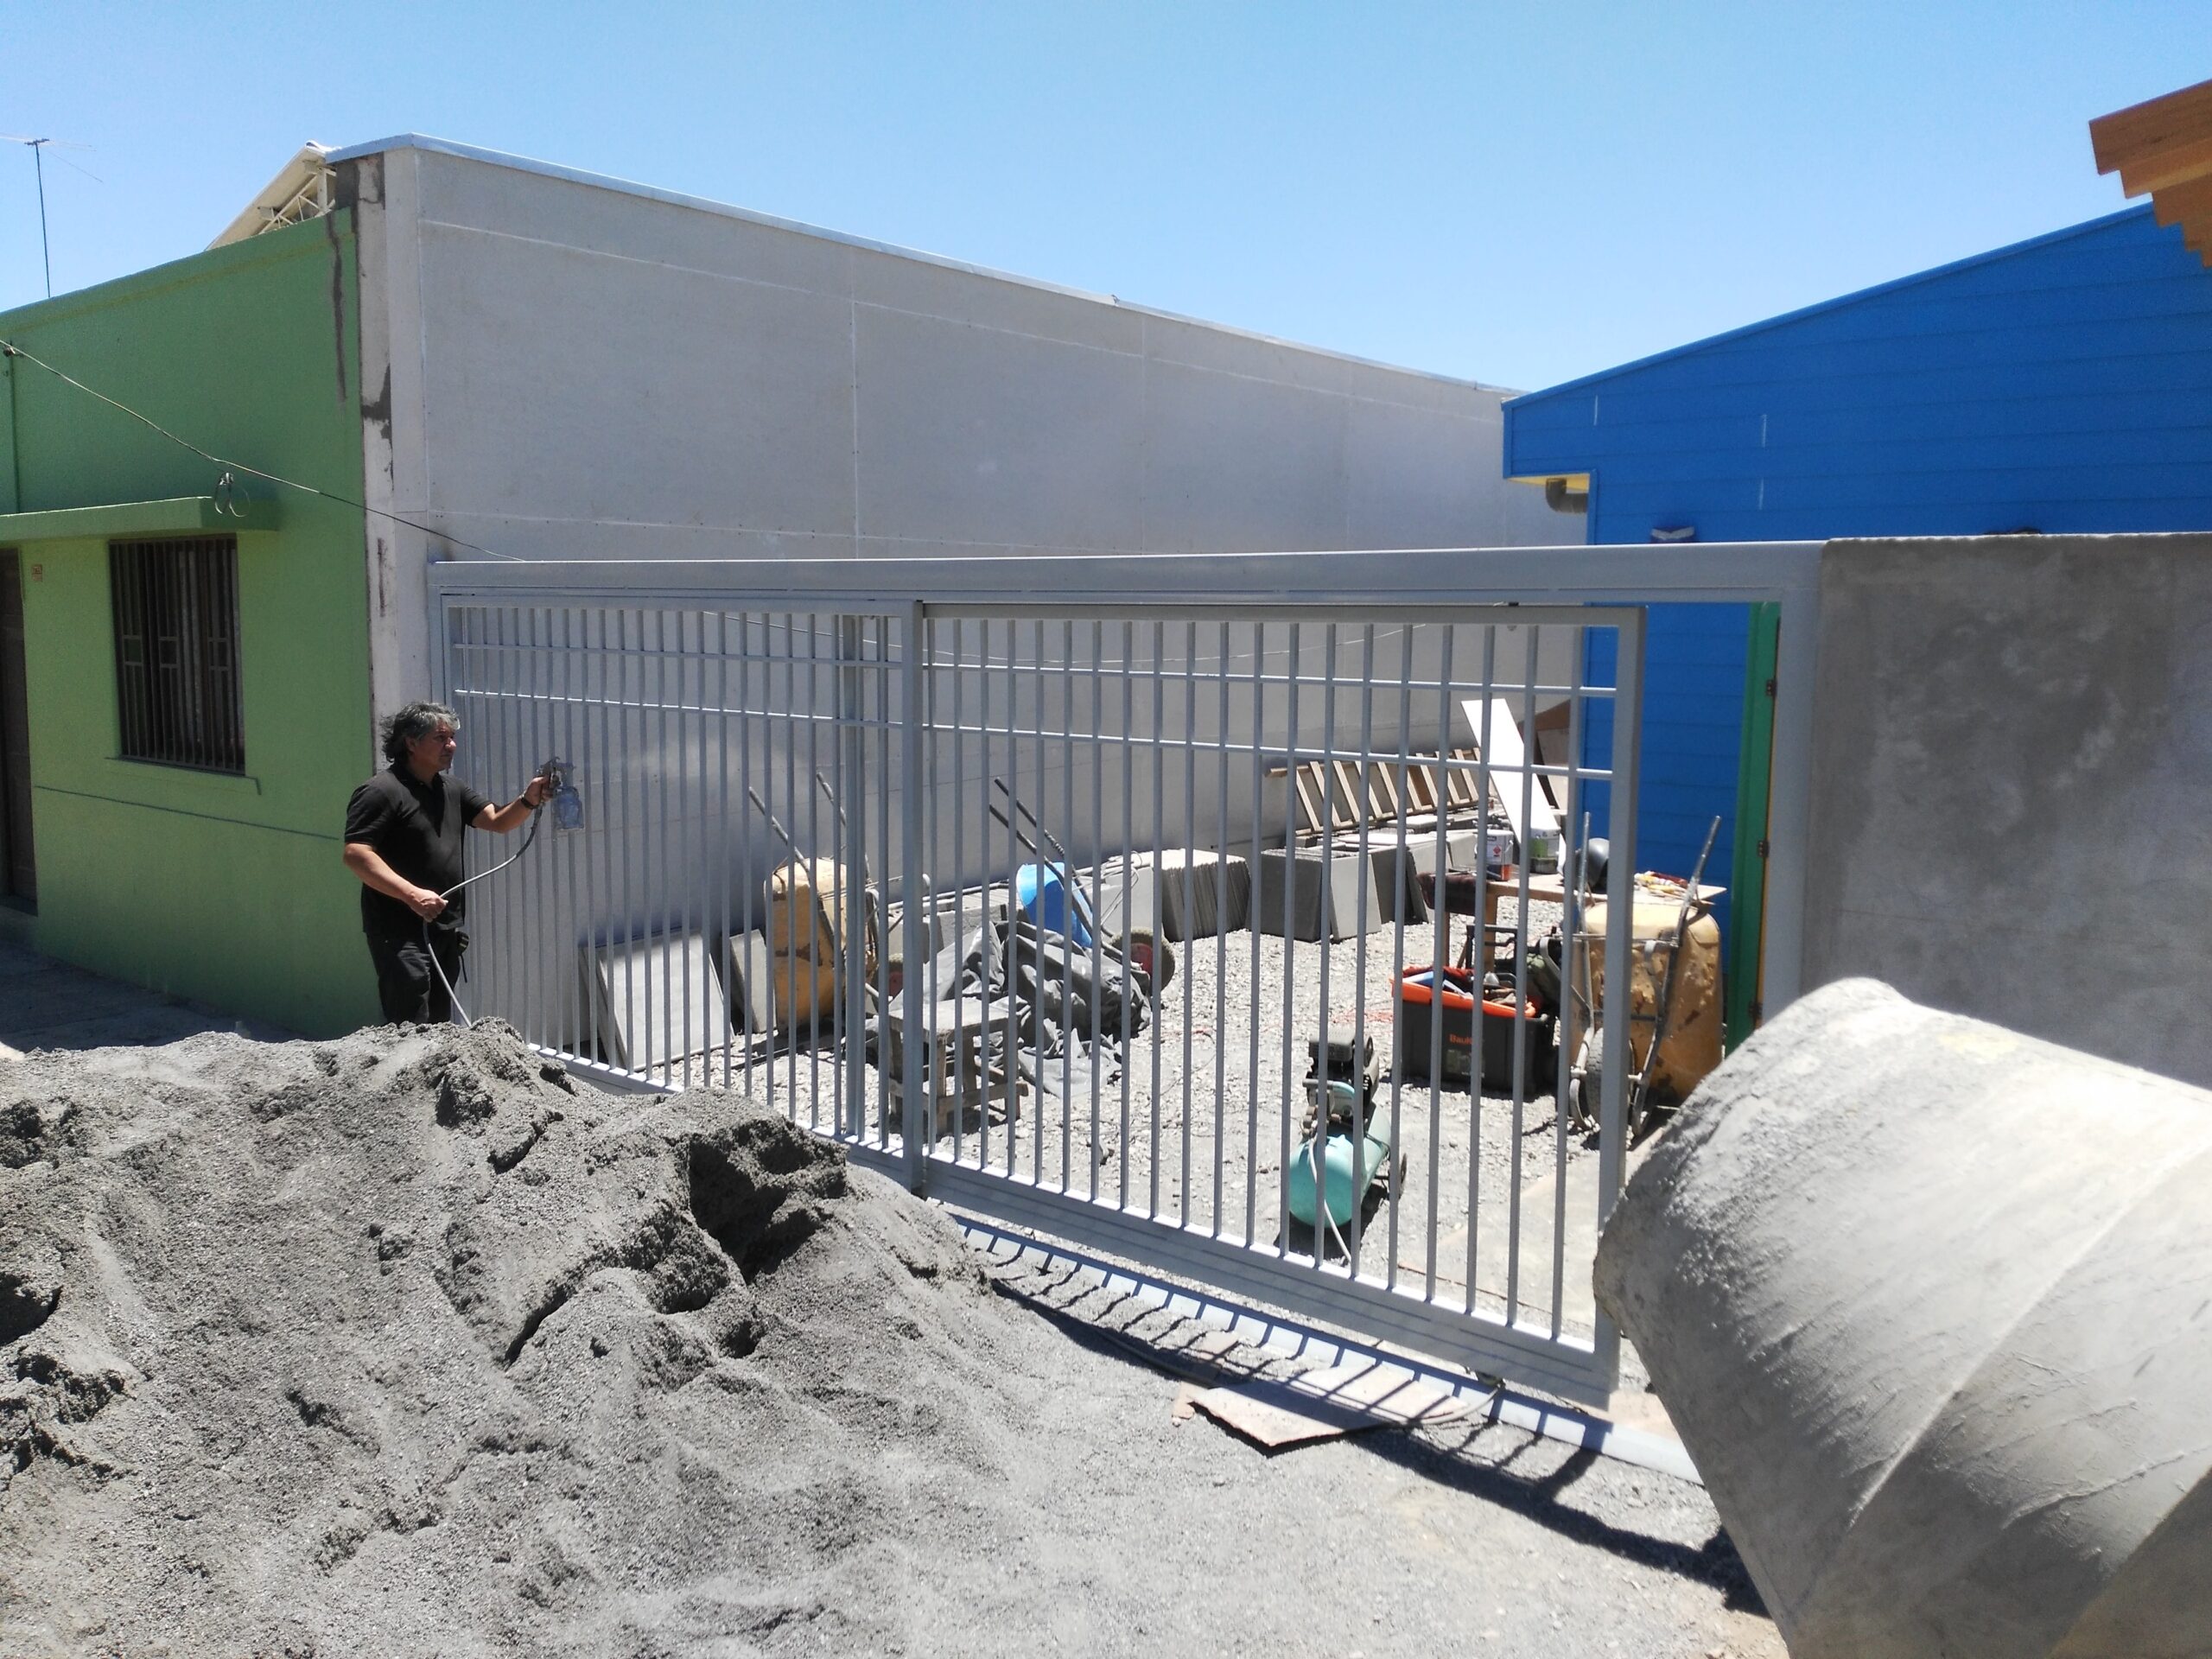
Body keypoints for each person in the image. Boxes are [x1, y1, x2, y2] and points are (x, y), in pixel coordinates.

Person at [342, 701, 550, 1025]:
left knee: (440, 1026)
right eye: (440, 738)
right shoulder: (381, 791)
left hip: (444, 928)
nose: (451, 745)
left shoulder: (451, 788)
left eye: (452, 737)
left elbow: (497, 821)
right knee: (410, 1025)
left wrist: (528, 800)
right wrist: (412, 895)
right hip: (399, 933)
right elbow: (356, 854)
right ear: (411, 743)